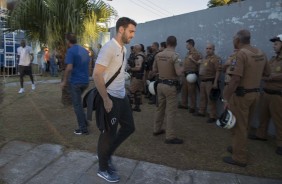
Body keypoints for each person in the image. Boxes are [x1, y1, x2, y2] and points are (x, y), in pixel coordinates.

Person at [93, 17, 136, 183]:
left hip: (121, 96)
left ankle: (107, 154)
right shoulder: (109, 48)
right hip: (109, 96)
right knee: (108, 133)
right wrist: (106, 99)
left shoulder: (123, 48)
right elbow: (96, 74)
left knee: (129, 127)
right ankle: (103, 168)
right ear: (121, 30)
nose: (133, 35)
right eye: (131, 31)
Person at [222, 29, 270, 167]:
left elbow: (235, 79)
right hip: (255, 94)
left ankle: (239, 158)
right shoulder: (261, 53)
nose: (232, 41)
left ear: (237, 40)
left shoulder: (241, 54)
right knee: (246, 125)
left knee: (239, 127)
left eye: (233, 38)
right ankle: (238, 147)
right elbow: (267, 73)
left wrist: (226, 97)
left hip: (241, 95)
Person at [248, 34, 282, 156]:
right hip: (266, 92)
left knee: (279, 120)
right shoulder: (273, 59)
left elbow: (271, 75)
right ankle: (261, 135)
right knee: (263, 116)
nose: (274, 46)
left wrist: (271, 77)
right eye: (274, 43)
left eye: (276, 44)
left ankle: (280, 144)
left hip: (278, 95)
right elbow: (265, 71)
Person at [153, 35, 184, 144]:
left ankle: (156, 129)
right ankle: (170, 136)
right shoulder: (175, 56)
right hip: (170, 86)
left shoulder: (158, 55)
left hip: (160, 85)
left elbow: (154, 70)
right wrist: (183, 68)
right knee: (171, 111)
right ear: (175, 44)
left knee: (160, 108)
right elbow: (179, 72)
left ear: (166, 43)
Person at [60, 33, 90, 135]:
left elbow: (69, 67)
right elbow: (89, 64)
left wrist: (64, 81)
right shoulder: (84, 50)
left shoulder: (71, 51)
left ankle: (83, 129)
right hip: (85, 81)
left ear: (68, 41)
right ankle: (85, 122)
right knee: (79, 103)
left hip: (76, 82)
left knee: (77, 105)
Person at [195, 43, 221, 123]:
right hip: (203, 81)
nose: (208, 50)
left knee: (211, 100)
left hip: (210, 82)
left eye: (210, 48)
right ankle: (201, 112)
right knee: (203, 98)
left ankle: (212, 116)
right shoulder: (204, 58)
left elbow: (218, 71)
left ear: (213, 49)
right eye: (207, 48)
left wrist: (215, 82)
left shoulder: (216, 59)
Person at [179, 39, 202, 112]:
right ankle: (184, 104)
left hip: (191, 75)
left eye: (187, 44)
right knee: (184, 90)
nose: (186, 46)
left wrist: (192, 59)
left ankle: (192, 107)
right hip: (185, 74)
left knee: (191, 91)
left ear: (190, 44)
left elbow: (199, 63)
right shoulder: (188, 53)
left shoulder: (197, 53)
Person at [128, 44, 145, 112]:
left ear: (137, 49)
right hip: (139, 76)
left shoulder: (139, 56)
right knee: (137, 92)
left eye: (134, 48)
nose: (133, 49)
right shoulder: (141, 55)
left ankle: (129, 107)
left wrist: (130, 69)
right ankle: (137, 107)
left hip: (137, 76)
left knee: (131, 91)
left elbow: (138, 68)